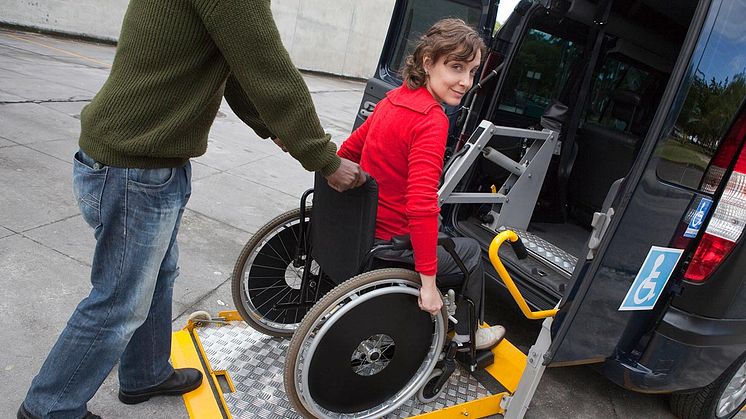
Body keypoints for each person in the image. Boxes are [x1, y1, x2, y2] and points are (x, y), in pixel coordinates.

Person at [17, 1, 365, 418]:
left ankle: (145, 373)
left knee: (159, 277)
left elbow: (237, 69)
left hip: (140, 161)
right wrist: (323, 158)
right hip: (136, 170)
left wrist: (275, 130)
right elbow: (267, 67)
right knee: (118, 302)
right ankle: (48, 408)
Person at [338, 18, 505, 351]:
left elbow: (346, 153)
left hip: (359, 229)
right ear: (428, 62)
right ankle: (468, 336)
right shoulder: (432, 120)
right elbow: (421, 206)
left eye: (471, 72)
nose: (465, 82)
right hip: (391, 244)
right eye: (456, 67)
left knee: (445, 235)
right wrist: (428, 285)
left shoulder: (391, 100)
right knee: (471, 252)